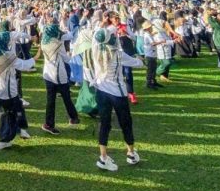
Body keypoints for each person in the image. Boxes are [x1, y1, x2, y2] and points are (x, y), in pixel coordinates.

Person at [90, 26, 143, 172]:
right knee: (125, 123)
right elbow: (138, 63)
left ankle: (103, 157)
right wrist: (138, 58)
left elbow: (97, 36)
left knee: (104, 123)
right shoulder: (118, 54)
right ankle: (131, 153)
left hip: (101, 90)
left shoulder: (95, 49)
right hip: (117, 93)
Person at [0, 20, 34, 150]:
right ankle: (3, 140)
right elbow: (23, 65)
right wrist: (36, 57)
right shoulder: (8, 54)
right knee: (9, 113)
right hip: (7, 89)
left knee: (17, 108)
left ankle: (21, 129)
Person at [40, 21, 80, 135]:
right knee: (65, 97)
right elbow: (66, 58)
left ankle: (49, 123)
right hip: (58, 74)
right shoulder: (58, 43)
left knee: (51, 100)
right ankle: (72, 118)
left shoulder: (44, 41)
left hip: (47, 73)